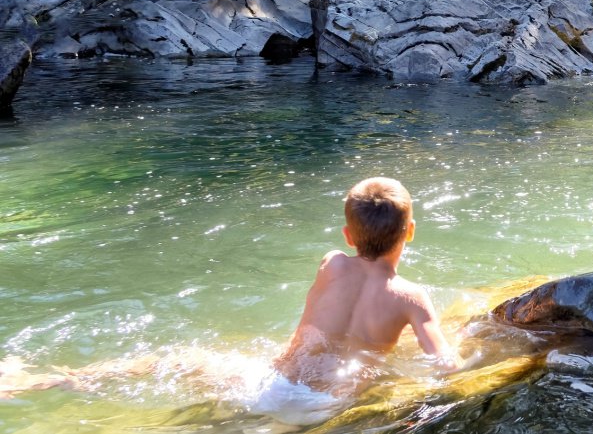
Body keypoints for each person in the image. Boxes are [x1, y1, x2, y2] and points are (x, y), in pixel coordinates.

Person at [0, 176, 462, 425]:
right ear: (411, 233)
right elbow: (445, 363)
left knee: (177, 359)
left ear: (346, 235)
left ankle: (42, 383)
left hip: (269, 386)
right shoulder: (411, 298)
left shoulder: (331, 264)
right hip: (327, 407)